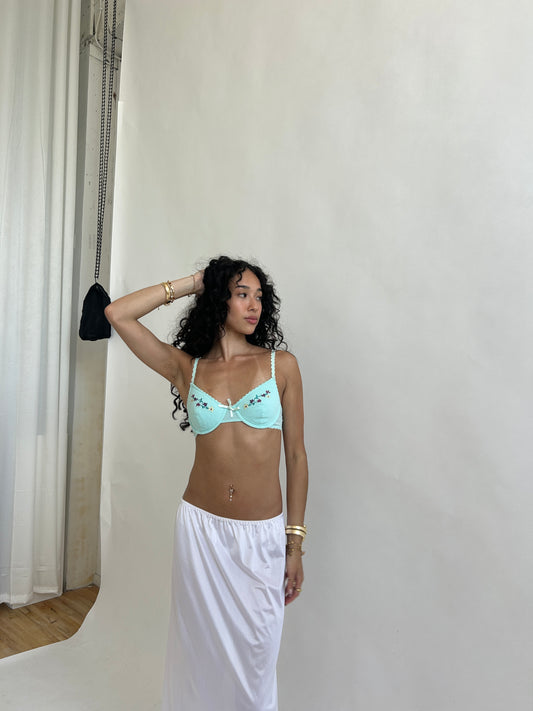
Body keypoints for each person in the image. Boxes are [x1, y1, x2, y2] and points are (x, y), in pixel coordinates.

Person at [104, 256, 308, 711]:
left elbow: (296, 457)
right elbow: (117, 313)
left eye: (259, 297)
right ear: (218, 299)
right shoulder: (187, 369)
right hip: (200, 532)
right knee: (198, 657)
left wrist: (294, 543)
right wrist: (197, 281)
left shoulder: (281, 366)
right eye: (241, 294)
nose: (254, 305)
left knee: (256, 659)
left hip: (261, 535)